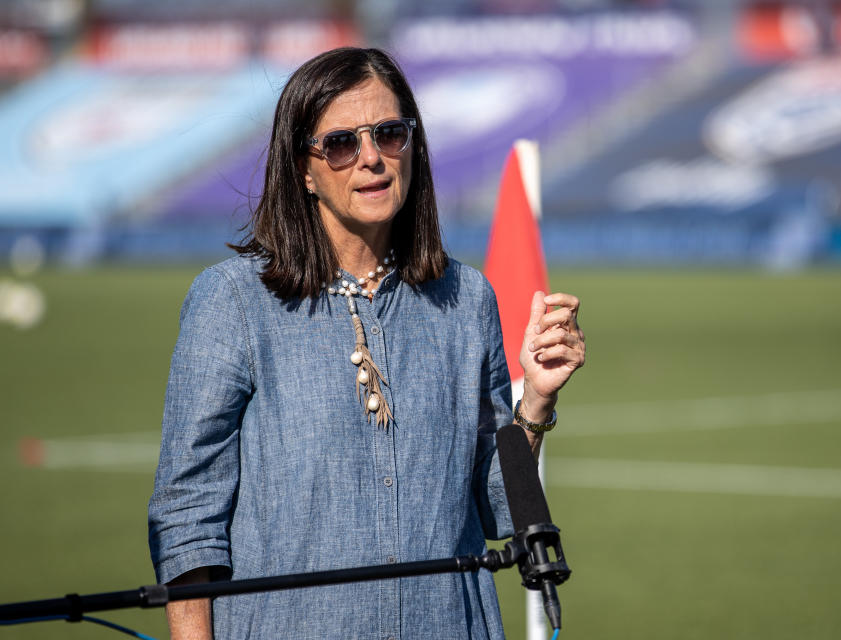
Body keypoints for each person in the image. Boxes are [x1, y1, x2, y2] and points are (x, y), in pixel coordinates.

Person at [148, 47, 585, 640]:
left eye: (389, 133)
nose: (372, 159)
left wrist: (535, 400)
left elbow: (495, 508)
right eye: (341, 144)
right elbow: (188, 514)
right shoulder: (233, 302)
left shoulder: (468, 298)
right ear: (304, 168)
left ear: (414, 144)